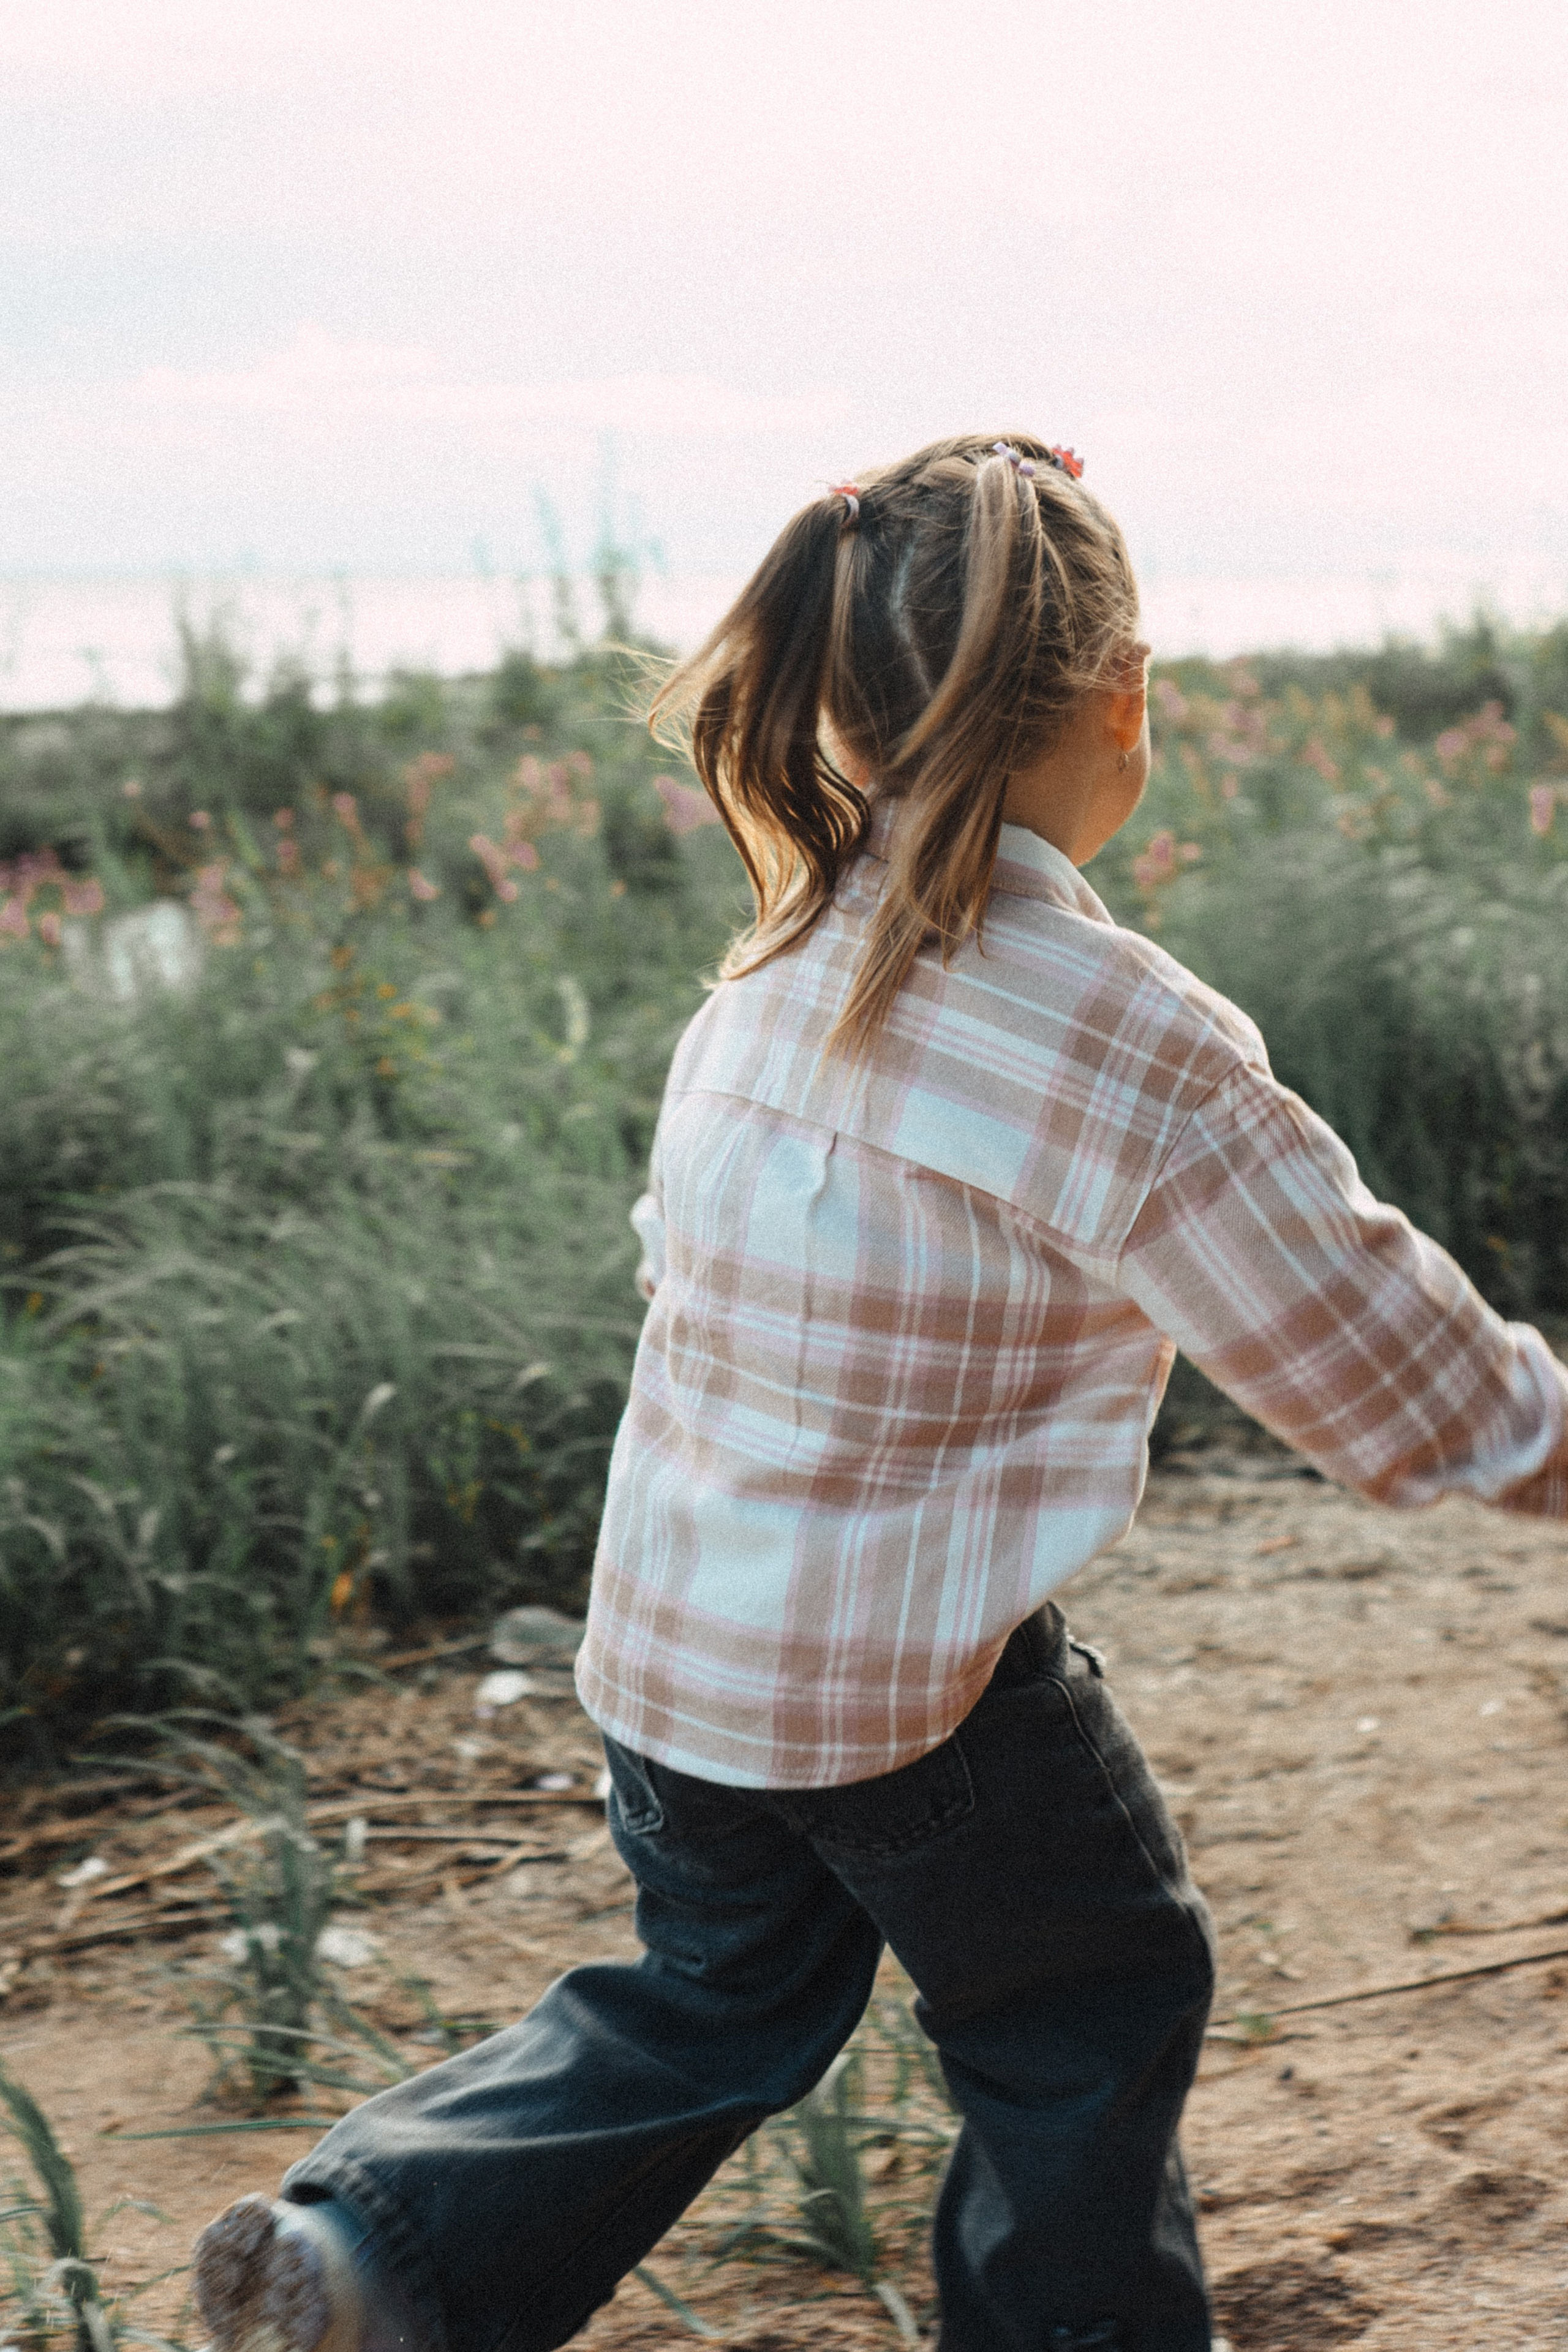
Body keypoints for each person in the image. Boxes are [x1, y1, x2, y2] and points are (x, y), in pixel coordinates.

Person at [193, 434, 1568, 2352]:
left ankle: (378, 2255)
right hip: (912, 1705)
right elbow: (1370, 1354)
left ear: (838, 704)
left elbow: (688, 1276)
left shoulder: (767, 967)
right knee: (1086, 2008)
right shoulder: (1120, 1033)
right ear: (1124, 698)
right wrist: (1529, 1431)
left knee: (712, 1997)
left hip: (673, 1665)